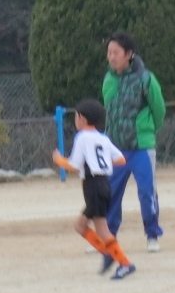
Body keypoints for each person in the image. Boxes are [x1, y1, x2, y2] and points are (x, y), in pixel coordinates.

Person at [52, 99, 136, 280]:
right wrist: (102, 162)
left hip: (93, 185)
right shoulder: (102, 138)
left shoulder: (82, 137)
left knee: (102, 230)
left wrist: (59, 160)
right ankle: (109, 253)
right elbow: (121, 159)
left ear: (82, 118)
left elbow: (74, 165)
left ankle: (124, 263)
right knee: (80, 226)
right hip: (104, 183)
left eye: (76, 116)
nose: (75, 120)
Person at [102, 31, 166, 252]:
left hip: (141, 147)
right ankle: (109, 237)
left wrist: (147, 130)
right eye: (109, 52)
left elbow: (159, 109)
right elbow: (109, 110)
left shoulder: (146, 78)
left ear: (129, 54)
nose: (111, 57)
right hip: (116, 148)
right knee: (110, 193)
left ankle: (152, 234)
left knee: (147, 191)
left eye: (116, 52)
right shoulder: (108, 79)